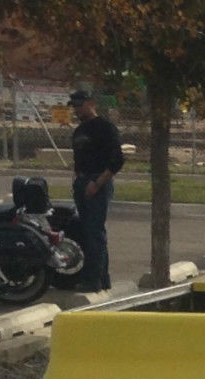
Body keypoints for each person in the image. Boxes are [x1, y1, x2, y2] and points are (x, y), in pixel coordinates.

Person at [68, 90, 124, 292]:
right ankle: (102, 277)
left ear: (91, 103)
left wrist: (97, 183)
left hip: (97, 182)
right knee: (88, 231)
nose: (77, 109)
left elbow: (117, 160)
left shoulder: (105, 128)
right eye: (74, 106)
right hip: (82, 182)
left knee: (94, 232)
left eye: (80, 105)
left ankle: (93, 280)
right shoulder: (79, 131)